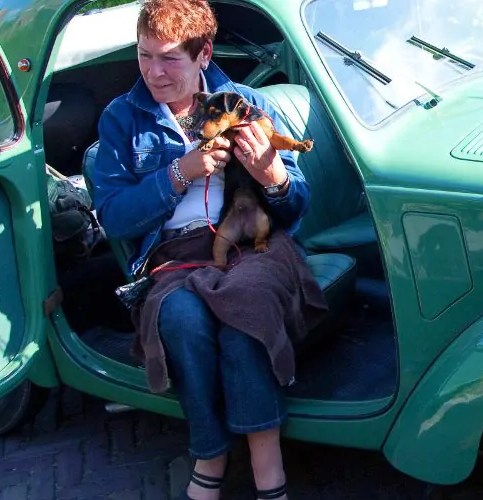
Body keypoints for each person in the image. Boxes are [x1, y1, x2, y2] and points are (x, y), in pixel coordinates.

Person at [85, 0, 310, 499]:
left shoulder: (247, 102)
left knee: (244, 310)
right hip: (173, 255)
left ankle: (266, 467)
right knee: (181, 318)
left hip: (255, 246)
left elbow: (296, 209)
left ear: (204, 53)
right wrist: (178, 173)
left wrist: (273, 177)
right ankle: (209, 453)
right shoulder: (122, 119)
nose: (153, 72)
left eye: (169, 59)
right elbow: (116, 217)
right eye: (144, 56)